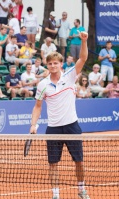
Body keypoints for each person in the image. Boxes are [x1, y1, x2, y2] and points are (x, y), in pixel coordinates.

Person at [30, 31, 90, 199]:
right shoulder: (42, 85)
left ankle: (81, 190)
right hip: (53, 129)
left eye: (56, 63)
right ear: (47, 66)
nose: (53, 66)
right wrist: (33, 124)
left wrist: (84, 41)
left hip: (72, 126)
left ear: (61, 64)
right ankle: (56, 195)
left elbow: (83, 59)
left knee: (79, 161)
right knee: (53, 164)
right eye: (50, 64)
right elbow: (37, 106)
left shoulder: (70, 76)